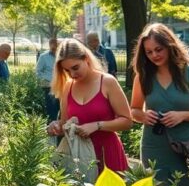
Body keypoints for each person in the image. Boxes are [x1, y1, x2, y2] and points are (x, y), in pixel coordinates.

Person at [129, 23, 189, 186]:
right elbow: (134, 111)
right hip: (154, 146)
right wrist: (144, 116)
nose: (154, 55)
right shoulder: (143, 77)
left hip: (187, 148)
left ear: (170, 45)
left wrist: (183, 115)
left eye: (158, 49)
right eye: (149, 52)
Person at [46, 39, 131, 174]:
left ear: (86, 58)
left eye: (75, 67)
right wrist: (56, 126)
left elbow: (127, 121)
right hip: (79, 157)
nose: (72, 74)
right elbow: (65, 123)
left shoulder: (107, 81)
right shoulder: (68, 86)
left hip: (107, 153)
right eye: (67, 71)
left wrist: (97, 125)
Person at [36, 38, 59, 122]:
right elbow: (38, 72)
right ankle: (52, 127)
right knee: (51, 108)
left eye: (56, 44)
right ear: (49, 45)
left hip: (60, 85)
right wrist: (45, 80)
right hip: (48, 86)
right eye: (52, 44)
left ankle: (60, 129)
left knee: (60, 107)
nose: (54, 46)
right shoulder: (43, 57)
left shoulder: (62, 56)